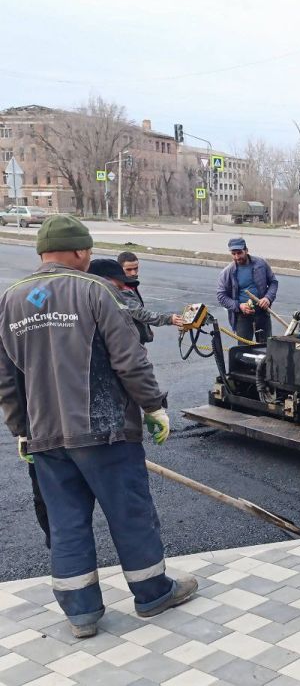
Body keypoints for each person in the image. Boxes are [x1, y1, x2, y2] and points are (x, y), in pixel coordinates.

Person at [0, 215, 197, 639]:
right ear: (79, 251)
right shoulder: (96, 291)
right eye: (87, 251)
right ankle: (152, 593)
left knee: (66, 522)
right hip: (105, 430)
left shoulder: (10, 300)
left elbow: (6, 377)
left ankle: (81, 614)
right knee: (130, 514)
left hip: (45, 435)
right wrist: (153, 406)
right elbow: (129, 359)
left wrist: (20, 428)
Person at [89, 258, 184, 344]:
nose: (133, 273)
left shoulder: (127, 286)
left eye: (136, 268)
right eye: (129, 270)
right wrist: (169, 319)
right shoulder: (120, 291)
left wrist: (145, 330)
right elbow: (139, 313)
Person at [216, 238, 279, 343]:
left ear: (246, 250)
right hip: (242, 315)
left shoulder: (261, 264)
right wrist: (239, 306)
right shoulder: (227, 272)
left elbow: (273, 282)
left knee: (266, 346)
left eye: (239, 253)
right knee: (244, 349)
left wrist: (268, 298)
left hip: (262, 312)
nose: (237, 257)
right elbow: (221, 296)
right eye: (233, 254)